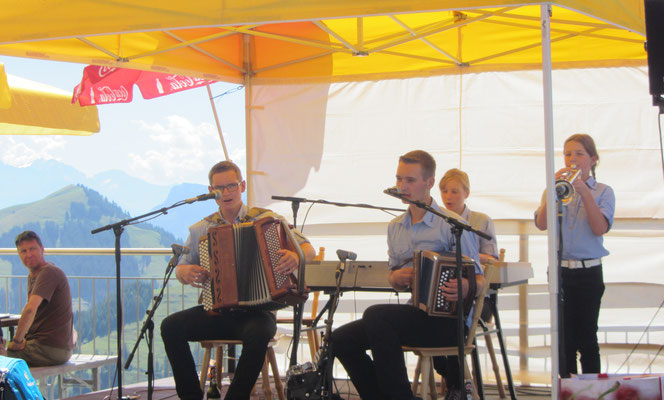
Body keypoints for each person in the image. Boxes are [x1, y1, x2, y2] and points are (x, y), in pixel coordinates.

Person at [332, 150, 485, 400]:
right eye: (399, 179)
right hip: (414, 315)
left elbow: (479, 279)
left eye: (410, 180)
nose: (402, 186)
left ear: (430, 182)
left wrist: (467, 286)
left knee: (376, 315)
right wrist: (397, 278)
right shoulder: (395, 227)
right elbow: (393, 275)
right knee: (340, 339)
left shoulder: (452, 224)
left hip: (448, 322)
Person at [161, 160, 316, 400]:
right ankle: (190, 396)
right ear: (211, 191)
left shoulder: (267, 219)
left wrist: (296, 255)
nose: (225, 193)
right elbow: (181, 268)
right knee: (170, 326)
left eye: (231, 186)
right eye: (218, 188)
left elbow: (308, 249)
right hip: (217, 312)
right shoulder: (201, 229)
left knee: (260, 331)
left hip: (258, 311)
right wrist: (186, 272)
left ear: (242, 186)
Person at [535, 133, 615, 377]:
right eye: (568, 153)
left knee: (587, 337)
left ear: (593, 159)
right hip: (561, 272)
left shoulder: (603, 191)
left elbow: (599, 227)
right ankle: (566, 389)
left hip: (588, 272)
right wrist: (552, 192)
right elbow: (541, 223)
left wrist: (583, 190)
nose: (573, 158)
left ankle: (592, 390)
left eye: (579, 153)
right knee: (564, 338)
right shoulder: (556, 188)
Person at [6, 231, 74, 366]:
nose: (28, 254)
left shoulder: (48, 272)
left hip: (48, 348)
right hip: (53, 347)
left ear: (42, 250)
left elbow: (30, 309)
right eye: (23, 251)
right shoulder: (34, 276)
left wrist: (17, 342)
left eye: (32, 249)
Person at [439, 168, 498, 264]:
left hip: (474, 275)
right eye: (444, 191)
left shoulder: (483, 220)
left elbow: (492, 260)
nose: (448, 196)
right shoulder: (436, 220)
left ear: (466, 193)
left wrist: (464, 255)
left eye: (454, 192)